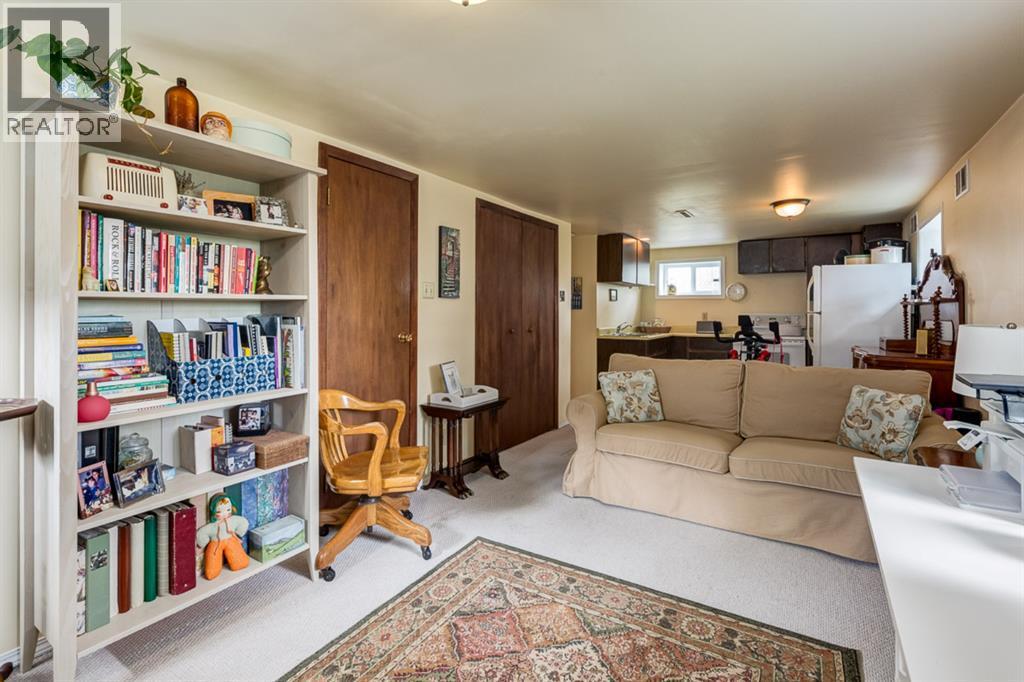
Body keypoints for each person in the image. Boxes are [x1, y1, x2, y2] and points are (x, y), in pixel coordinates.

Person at [196, 495, 250, 579]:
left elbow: (243, 522)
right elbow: (201, 533)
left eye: (228, 510)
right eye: (219, 511)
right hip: (216, 542)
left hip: (230, 539)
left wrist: (239, 533)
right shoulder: (213, 526)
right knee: (213, 558)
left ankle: (239, 563)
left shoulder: (233, 520)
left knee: (238, 557)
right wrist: (202, 542)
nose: (225, 514)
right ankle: (213, 572)